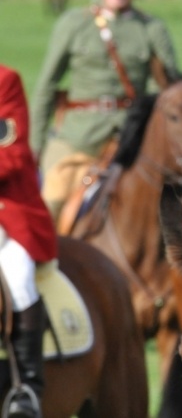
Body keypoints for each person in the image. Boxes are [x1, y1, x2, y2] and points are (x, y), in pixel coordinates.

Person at [30, 0, 178, 222]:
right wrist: (34, 147)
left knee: (169, 211)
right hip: (78, 138)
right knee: (50, 206)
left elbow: (171, 90)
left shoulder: (151, 28)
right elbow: (46, 86)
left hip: (132, 141)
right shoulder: (74, 23)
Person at [0, 65, 58, 418]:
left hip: (7, 206)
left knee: (18, 276)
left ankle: (26, 388)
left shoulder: (5, 82)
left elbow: (13, 153)